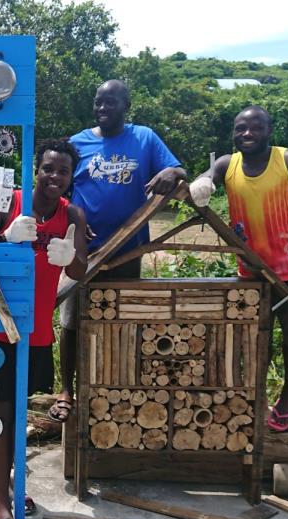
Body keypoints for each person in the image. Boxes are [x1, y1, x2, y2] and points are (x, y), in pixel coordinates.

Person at [188, 105, 288, 432]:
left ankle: (286, 402)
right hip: (251, 271)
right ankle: (256, 398)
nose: (247, 134)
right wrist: (201, 184)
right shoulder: (227, 164)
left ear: (269, 130)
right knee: (254, 340)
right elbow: (206, 179)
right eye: (241, 129)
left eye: (255, 128)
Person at [53, 79, 186, 422]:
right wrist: (76, 221)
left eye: (110, 102)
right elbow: (58, 186)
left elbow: (180, 170)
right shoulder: (78, 143)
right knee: (71, 320)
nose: (102, 108)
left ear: (126, 104)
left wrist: (170, 173)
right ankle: (67, 390)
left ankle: (114, 387)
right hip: (84, 251)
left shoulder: (144, 138)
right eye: (98, 102)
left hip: (128, 249)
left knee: (122, 320)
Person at [0, 138, 88, 519]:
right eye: (48, 168)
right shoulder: (10, 201)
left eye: (62, 171)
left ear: (70, 176)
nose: (54, 177)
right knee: (2, 410)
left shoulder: (71, 214)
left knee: (19, 409)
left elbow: (82, 265)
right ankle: (2, 507)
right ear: (35, 169)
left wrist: (67, 257)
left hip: (38, 328)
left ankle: (12, 483)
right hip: (0, 326)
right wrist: (6, 237)